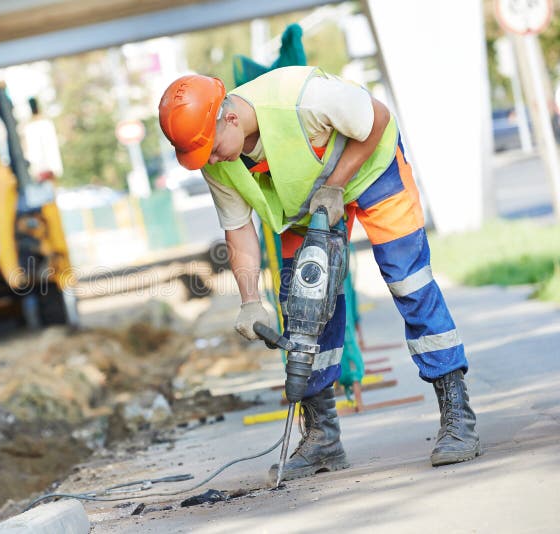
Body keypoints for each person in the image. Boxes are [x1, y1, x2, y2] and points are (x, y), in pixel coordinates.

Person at [158, 66, 480, 481]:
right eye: (202, 156)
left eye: (213, 149)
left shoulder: (302, 97)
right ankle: (322, 439)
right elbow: (238, 231)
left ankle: (457, 414)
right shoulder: (213, 155)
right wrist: (250, 301)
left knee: (408, 280)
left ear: (231, 118)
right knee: (302, 308)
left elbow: (377, 118)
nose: (213, 160)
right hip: (306, 205)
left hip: (370, 170)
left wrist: (338, 182)